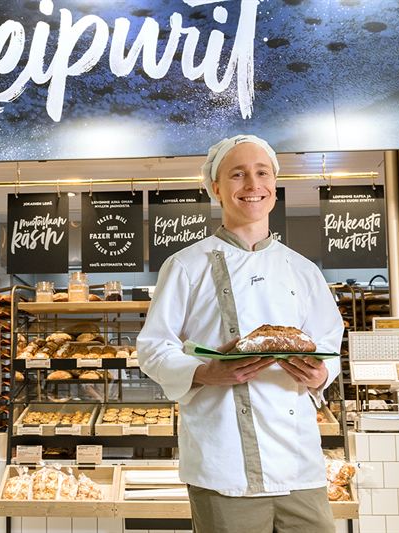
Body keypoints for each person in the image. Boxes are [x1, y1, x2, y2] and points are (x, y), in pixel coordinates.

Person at [137, 135, 344, 533]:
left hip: (298, 464)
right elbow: (153, 349)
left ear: (275, 185)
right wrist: (205, 372)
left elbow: (329, 342)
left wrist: (321, 374)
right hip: (223, 466)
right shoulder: (185, 266)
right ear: (215, 187)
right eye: (237, 174)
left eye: (262, 173)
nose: (252, 185)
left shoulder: (303, 270)